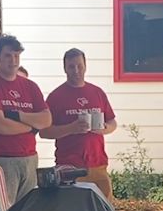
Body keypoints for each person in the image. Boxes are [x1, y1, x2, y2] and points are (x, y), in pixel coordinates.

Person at [0, 34, 51, 211]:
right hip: (1, 161)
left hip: (28, 159)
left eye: (17, 56)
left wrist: (17, 115)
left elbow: (46, 120)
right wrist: (30, 126)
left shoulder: (30, 87)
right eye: (8, 55)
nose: (13, 61)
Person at [41, 48, 119, 201]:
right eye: (71, 66)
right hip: (69, 167)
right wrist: (72, 128)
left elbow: (112, 122)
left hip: (98, 163)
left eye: (79, 66)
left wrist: (104, 129)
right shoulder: (56, 96)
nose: (76, 70)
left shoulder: (97, 92)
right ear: (64, 68)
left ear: (85, 66)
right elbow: (44, 132)